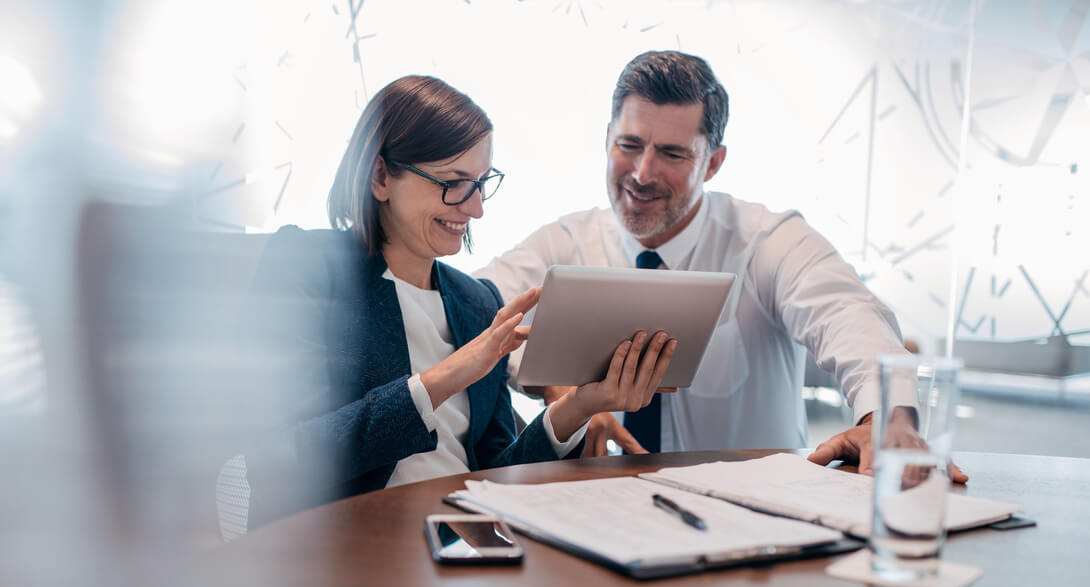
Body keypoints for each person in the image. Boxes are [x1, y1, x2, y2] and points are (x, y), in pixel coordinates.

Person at [475, 51, 966, 482]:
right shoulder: (565, 244)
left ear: (713, 162)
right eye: (629, 145)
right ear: (607, 139)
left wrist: (887, 420)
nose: (643, 173)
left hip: (750, 534)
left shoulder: (766, 240)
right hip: (596, 519)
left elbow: (849, 315)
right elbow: (470, 315)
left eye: (672, 153)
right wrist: (560, 393)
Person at [245, 75, 675, 507]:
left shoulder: (476, 301)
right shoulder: (307, 266)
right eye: (454, 183)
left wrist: (580, 406)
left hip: (459, 541)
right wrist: (448, 375)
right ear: (380, 176)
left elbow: (498, 475)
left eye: (481, 182)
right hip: (345, 546)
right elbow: (283, 458)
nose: (476, 208)